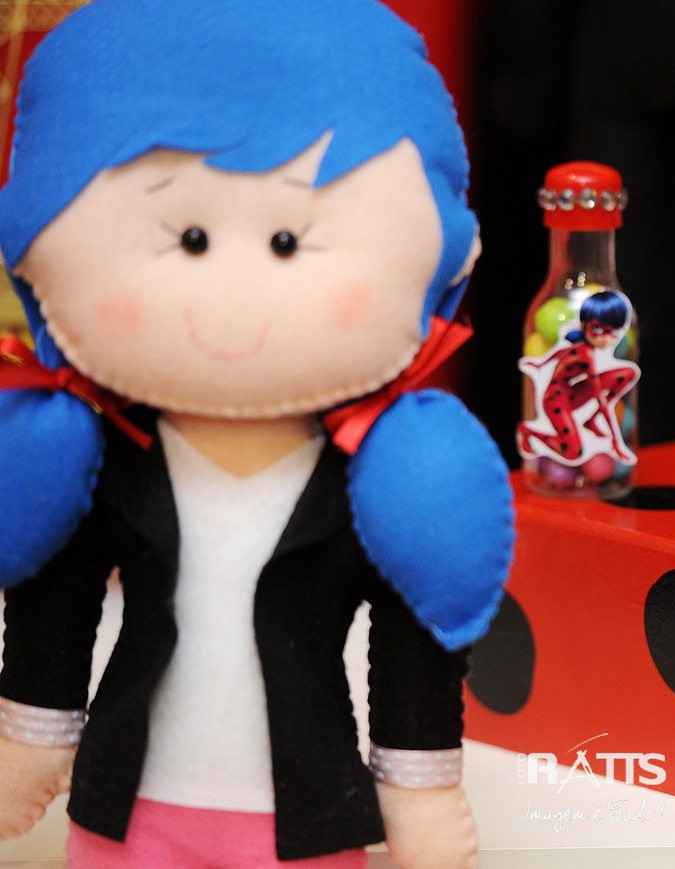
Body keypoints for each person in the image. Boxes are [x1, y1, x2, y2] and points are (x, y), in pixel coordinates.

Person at [0, 1, 512, 866]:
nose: (233, 293)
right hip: (127, 813)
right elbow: (57, 596)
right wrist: (31, 733)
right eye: (191, 237)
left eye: (285, 239)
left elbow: (410, 637)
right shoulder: (103, 458)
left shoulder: (377, 480)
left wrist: (419, 784)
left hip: (306, 822)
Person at [517, 290, 639, 465]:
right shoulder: (586, 356)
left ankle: (590, 420)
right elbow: (600, 399)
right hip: (555, 399)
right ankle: (529, 431)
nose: (604, 339)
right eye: (597, 329)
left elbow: (561, 352)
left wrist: (540, 365)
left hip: (572, 392)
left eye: (612, 332)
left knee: (629, 373)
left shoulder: (583, 347)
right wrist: (616, 442)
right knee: (574, 451)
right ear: (584, 326)